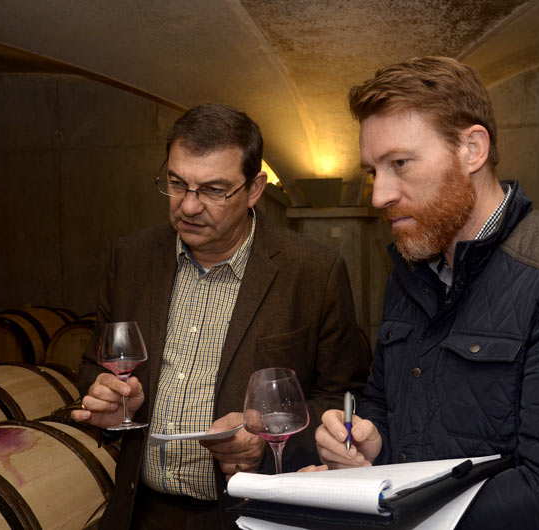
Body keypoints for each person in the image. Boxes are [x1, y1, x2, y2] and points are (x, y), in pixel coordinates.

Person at [313, 57, 539, 529]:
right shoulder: (409, 265)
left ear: (472, 149)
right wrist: (370, 442)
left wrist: (390, 506)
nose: (379, 195)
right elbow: (382, 401)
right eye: (372, 171)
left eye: (399, 163)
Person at [71, 103, 369, 530]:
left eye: (213, 190)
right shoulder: (131, 258)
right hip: (141, 512)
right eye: (176, 184)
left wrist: (265, 441)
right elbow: (92, 367)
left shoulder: (313, 271)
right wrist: (112, 402)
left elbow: (344, 400)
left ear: (254, 189)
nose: (188, 207)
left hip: (249, 514)